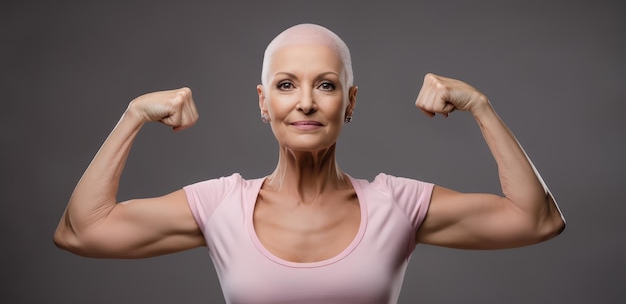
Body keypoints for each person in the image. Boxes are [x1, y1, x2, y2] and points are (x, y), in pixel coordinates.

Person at [54, 23, 565, 303]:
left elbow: (536, 219)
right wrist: (133, 115)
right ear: (262, 102)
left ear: (350, 101)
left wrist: (480, 106)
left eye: (325, 84)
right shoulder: (221, 206)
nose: (305, 102)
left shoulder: (396, 205)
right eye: (285, 85)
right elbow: (82, 231)